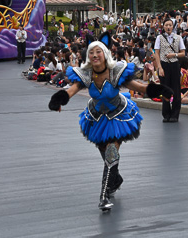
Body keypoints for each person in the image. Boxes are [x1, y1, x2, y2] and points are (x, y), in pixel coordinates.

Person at [49, 41, 171, 211]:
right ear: (88, 57)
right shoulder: (86, 74)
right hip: (96, 117)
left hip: (117, 116)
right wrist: (57, 101)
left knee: (111, 154)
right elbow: (71, 90)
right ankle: (116, 179)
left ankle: (104, 197)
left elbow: (140, 87)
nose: (95, 55)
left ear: (105, 54)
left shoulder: (116, 73)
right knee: (105, 154)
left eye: (98, 51)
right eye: (91, 53)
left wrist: (161, 91)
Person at [153, 20, 186, 122]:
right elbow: (157, 53)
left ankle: (175, 115)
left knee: (176, 90)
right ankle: (166, 114)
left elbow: (183, 53)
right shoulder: (159, 38)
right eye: (166, 25)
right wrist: (159, 68)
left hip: (175, 64)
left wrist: (174, 55)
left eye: (170, 25)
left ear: (173, 27)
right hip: (164, 65)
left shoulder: (178, 38)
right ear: (163, 26)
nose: (168, 27)